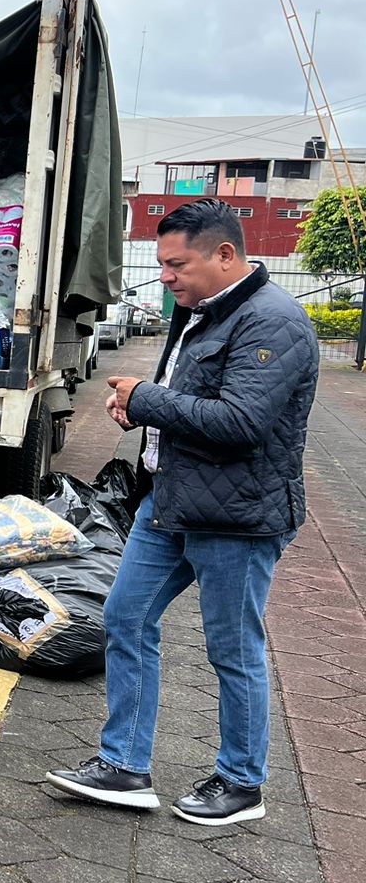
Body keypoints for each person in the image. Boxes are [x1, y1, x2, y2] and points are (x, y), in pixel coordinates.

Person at [47, 199, 318, 826]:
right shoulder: (203, 308)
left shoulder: (274, 322)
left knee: (232, 648)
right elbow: (185, 400)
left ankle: (242, 781)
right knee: (126, 618)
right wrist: (140, 410)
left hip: (237, 518)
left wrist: (148, 400)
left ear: (225, 255)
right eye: (163, 264)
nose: (165, 276)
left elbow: (243, 423)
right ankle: (124, 767)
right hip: (168, 503)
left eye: (177, 264)